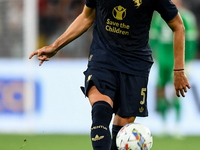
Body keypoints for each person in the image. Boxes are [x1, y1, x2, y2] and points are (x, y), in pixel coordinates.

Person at [29, 0, 191, 149]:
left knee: (122, 127)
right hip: (103, 58)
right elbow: (87, 16)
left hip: (136, 65)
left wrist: (179, 70)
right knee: (101, 111)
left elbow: (178, 26)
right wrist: (55, 46)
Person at [149, 0, 198, 137]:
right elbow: (152, 39)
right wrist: (153, 56)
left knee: (175, 91)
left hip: (177, 61)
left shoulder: (187, 17)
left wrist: (187, 62)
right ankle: (164, 124)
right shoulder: (158, 18)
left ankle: (177, 124)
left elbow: (191, 41)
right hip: (162, 60)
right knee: (160, 90)